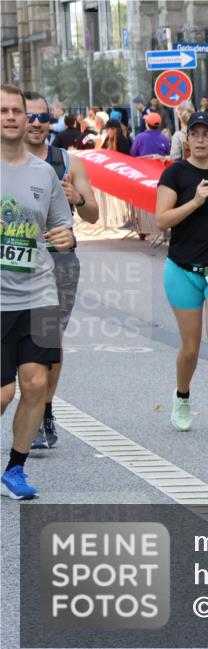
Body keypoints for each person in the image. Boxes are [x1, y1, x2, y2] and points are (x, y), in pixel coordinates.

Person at [1, 83, 77, 499]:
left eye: (18, 111)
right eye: (4, 111)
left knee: (34, 384)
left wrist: (64, 238)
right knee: (3, 392)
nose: (13, 117)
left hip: (41, 295)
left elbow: (62, 226)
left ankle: (15, 469)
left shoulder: (44, 172)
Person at [154, 111, 208, 439]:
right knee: (190, 347)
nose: (202, 140)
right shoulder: (175, 174)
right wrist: (194, 202)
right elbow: (162, 220)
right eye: (196, 134)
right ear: (187, 139)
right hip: (182, 268)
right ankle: (182, 396)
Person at [22, 91, 99, 449]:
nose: (37, 124)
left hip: (57, 262)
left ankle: (43, 411)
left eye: (43, 118)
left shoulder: (67, 162)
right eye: (30, 117)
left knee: (47, 339)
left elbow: (93, 214)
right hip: (13, 263)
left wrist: (78, 198)